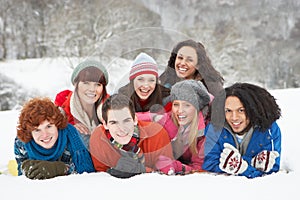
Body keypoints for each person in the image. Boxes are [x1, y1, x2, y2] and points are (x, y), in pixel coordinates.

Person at [203, 83, 282, 178]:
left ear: (253, 110)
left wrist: (243, 168)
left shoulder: (268, 130)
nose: (234, 117)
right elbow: (209, 164)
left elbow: (271, 169)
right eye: (228, 111)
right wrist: (249, 164)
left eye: (241, 110)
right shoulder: (214, 128)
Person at [89, 93, 174, 178]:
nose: (121, 129)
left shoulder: (157, 134)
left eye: (126, 121)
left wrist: (142, 170)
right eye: (114, 122)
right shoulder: (98, 138)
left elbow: (167, 176)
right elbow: (101, 178)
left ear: (135, 120)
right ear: (105, 124)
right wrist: (112, 173)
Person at [14, 97, 95, 180]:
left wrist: (61, 169)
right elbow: (21, 172)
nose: (45, 135)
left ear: (57, 125)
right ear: (29, 133)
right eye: (37, 130)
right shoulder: (22, 143)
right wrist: (25, 168)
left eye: (49, 126)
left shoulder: (71, 138)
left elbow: (86, 174)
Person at [159, 39, 225, 128]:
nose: (182, 63)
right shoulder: (166, 80)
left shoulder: (211, 86)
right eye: (180, 58)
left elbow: (220, 118)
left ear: (198, 64)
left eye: (189, 60)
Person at [151, 80, 211, 175]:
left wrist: (177, 166)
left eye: (187, 105)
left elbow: (199, 168)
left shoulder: (204, 132)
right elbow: (141, 117)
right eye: (176, 104)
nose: (180, 110)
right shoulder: (169, 118)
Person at [54, 59, 110, 149]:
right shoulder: (61, 110)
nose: (92, 89)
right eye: (86, 83)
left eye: (98, 84)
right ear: (76, 84)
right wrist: (70, 128)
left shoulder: (113, 108)